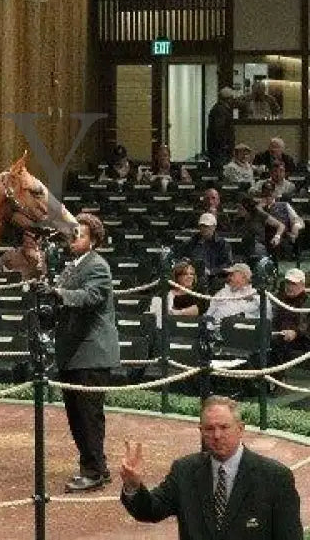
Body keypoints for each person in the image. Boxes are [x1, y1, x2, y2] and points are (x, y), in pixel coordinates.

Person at [120, 395, 302, 540]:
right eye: (209, 428)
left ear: (240, 429)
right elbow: (151, 511)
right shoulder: (184, 471)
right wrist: (133, 486)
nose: (216, 435)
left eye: (224, 427)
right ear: (200, 431)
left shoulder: (275, 478)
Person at [37, 212, 119, 492]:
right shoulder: (73, 266)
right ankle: (98, 467)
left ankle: (94, 472)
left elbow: (90, 297)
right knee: (78, 415)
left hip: (91, 353)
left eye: (79, 234)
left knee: (88, 416)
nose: (73, 239)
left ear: (94, 240)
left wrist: (60, 294)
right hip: (75, 353)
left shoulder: (97, 266)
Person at [270, 268, 310, 370]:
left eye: (293, 284)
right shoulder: (278, 299)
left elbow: (306, 325)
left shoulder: (307, 302)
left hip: (302, 340)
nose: (289, 287)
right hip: (279, 336)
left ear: (302, 285)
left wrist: (295, 333)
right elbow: (274, 320)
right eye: (287, 283)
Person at [176, 213, 233, 282]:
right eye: (202, 226)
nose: (204, 229)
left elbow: (228, 265)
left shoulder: (223, 244)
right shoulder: (191, 242)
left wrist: (211, 271)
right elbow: (181, 258)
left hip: (216, 279)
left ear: (214, 227)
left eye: (207, 226)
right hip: (193, 278)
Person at [151, 261, 207, 327]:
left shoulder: (198, 292)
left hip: (194, 328)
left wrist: (178, 313)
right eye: (185, 274)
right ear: (178, 277)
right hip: (172, 330)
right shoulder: (167, 293)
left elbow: (201, 308)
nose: (189, 277)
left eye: (192, 274)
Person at [259, 181, 304, 259]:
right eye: (265, 192)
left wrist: (296, 226)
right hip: (264, 238)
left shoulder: (284, 205)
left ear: (274, 193)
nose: (268, 195)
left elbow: (298, 219)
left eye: (270, 192)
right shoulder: (258, 208)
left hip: (282, 238)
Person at [206, 87, 236, 169]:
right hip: (221, 150)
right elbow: (219, 130)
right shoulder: (221, 111)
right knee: (221, 170)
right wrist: (225, 145)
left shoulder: (218, 109)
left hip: (218, 149)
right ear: (228, 99)